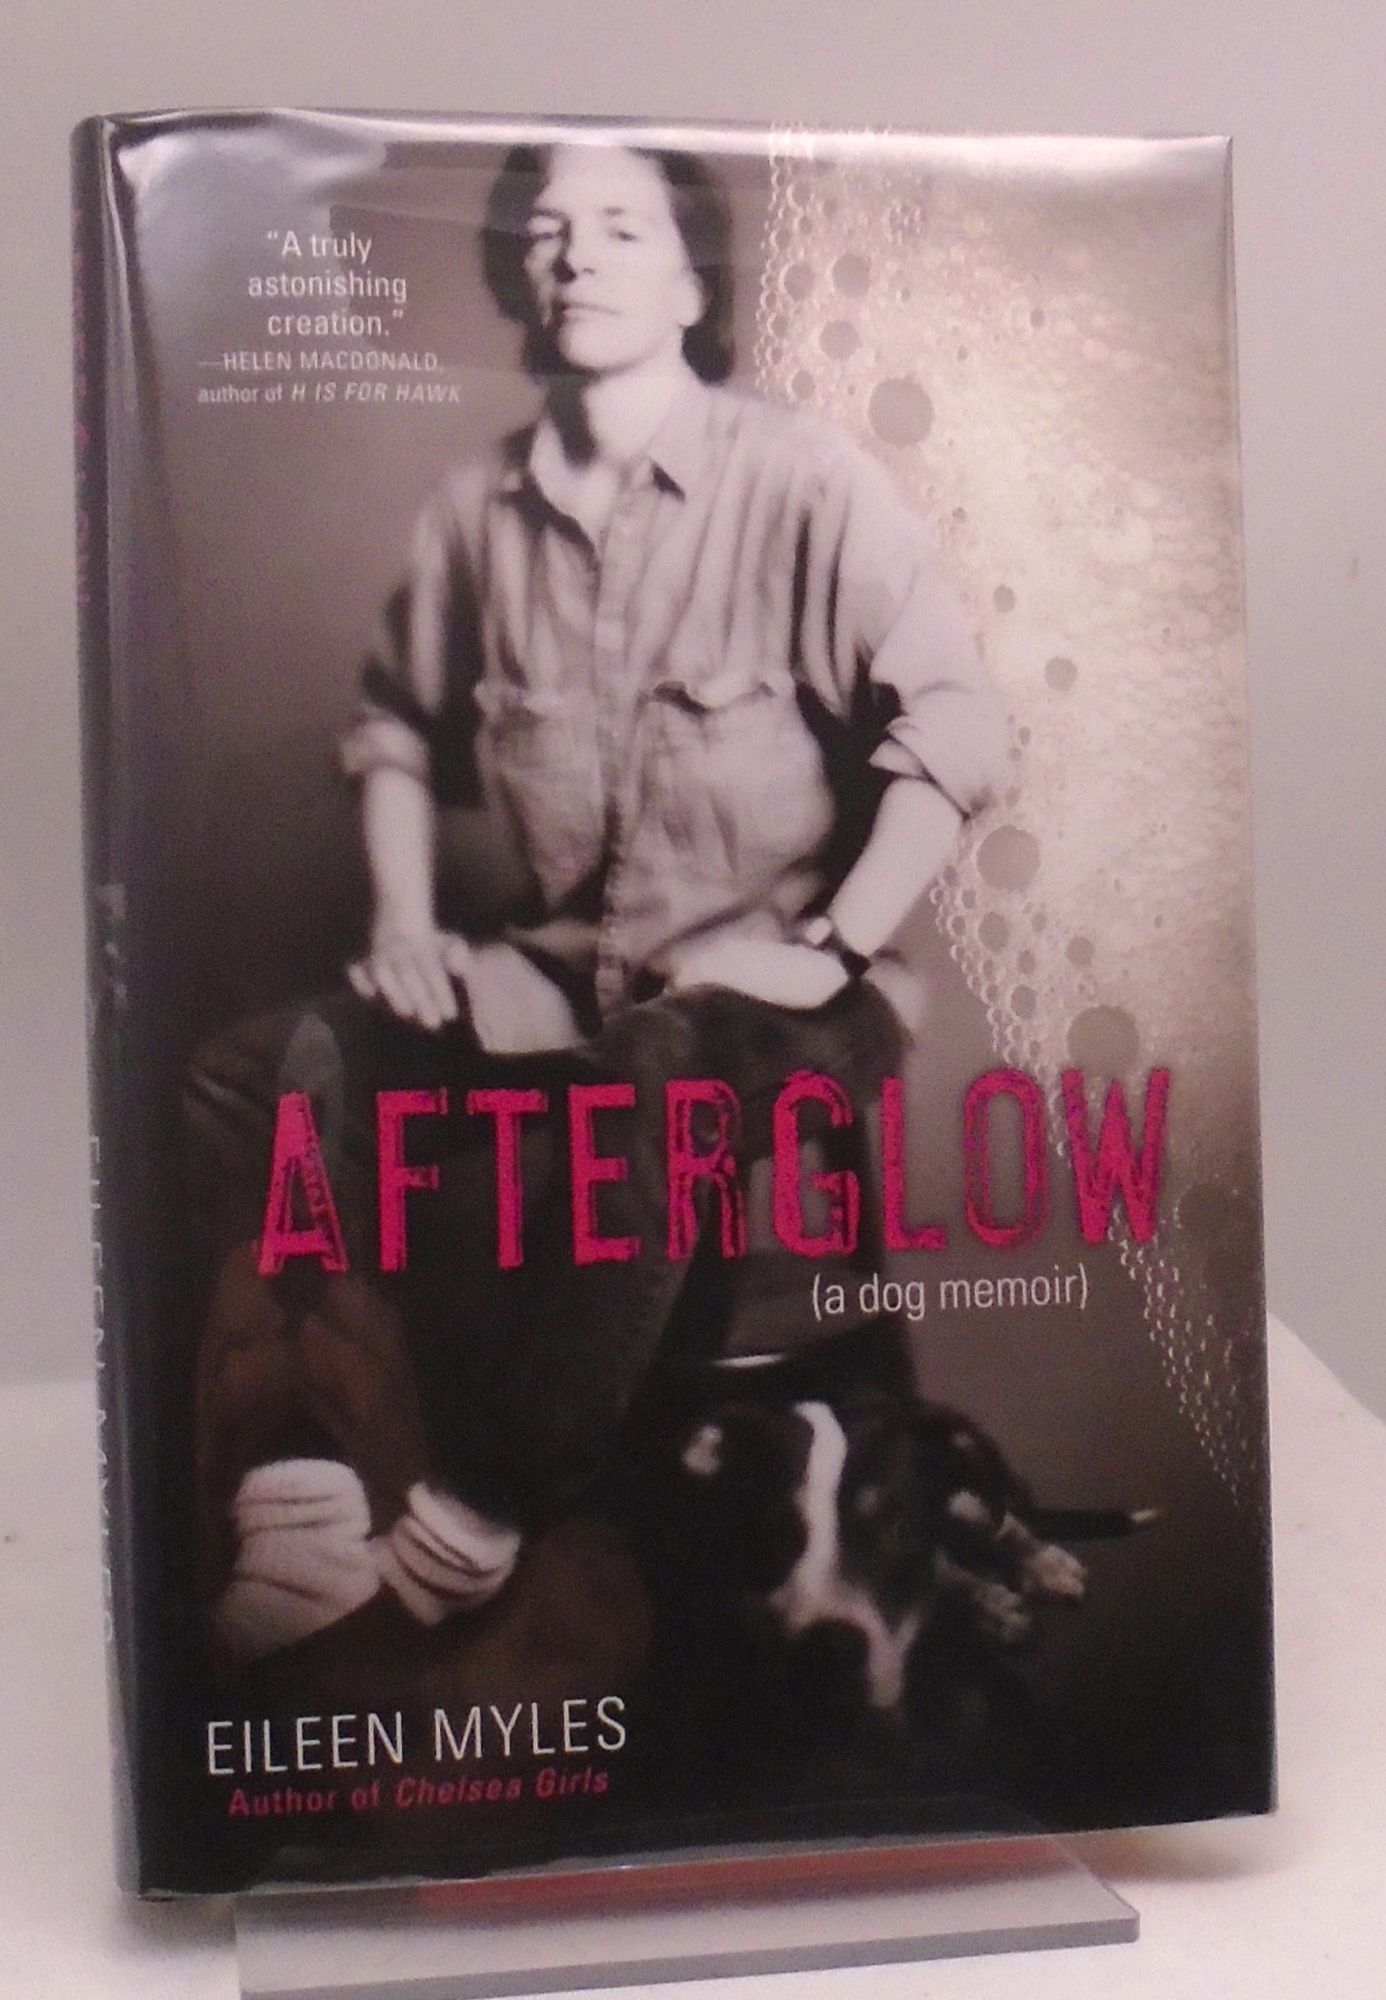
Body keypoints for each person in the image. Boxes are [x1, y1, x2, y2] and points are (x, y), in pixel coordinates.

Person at [189, 139, 1010, 1667]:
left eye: (623, 228)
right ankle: (298, 1498)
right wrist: (403, 926)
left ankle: (468, 1531)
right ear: (519, 270)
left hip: (787, 994)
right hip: (568, 978)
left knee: (661, 1071)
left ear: (694, 285)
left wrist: (832, 945)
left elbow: (958, 728)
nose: (576, 254)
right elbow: (391, 728)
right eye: (549, 229)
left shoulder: (802, 479)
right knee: (257, 1076)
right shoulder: (474, 512)